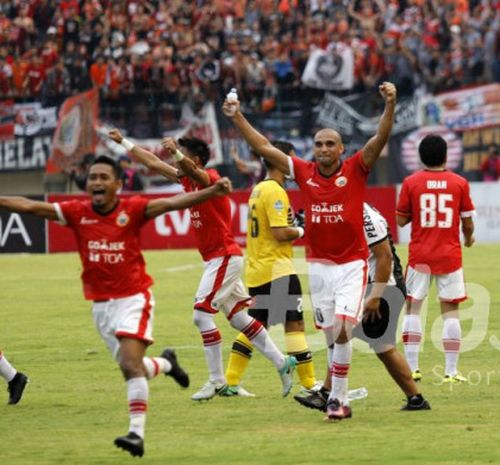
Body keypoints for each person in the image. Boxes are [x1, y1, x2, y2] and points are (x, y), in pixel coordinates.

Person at [0, 155, 235, 456]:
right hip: (101, 308)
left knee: (128, 364)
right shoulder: (77, 212)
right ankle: (167, 364)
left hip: (134, 299)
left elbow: (171, 203)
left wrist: (212, 192)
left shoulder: (132, 209)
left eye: (103, 177)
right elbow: (31, 206)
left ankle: (136, 433)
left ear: (118, 184)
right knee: (133, 367)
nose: (96, 181)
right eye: (92, 177)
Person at [223, 81, 396, 421]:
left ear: (342, 149)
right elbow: (263, 146)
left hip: (351, 264)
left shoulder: (356, 169)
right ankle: (336, 396)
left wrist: (389, 105)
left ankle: (337, 401)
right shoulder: (303, 172)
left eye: (330, 144)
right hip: (318, 267)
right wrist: (237, 117)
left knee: (346, 328)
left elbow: (380, 139)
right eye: (318, 144)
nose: (323, 149)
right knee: (333, 337)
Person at [107, 130, 297, 402]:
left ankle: (216, 381)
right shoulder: (185, 179)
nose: (173, 163)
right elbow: (152, 162)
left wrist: (175, 152)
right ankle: (282, 362)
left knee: (201, 315)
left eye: (180, 156)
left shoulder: (213, 180)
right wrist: (124, 142)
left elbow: (199, 175)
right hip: (217, 259)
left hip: (224, 257)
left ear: (194, 159)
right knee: (239, 318)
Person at [294, 202, 431, 412]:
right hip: (364, 284)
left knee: (378, 346)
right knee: (345, 337)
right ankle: (414, 399)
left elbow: (384, 255)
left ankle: (330, 394)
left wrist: (376, 296)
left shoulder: (365, 215)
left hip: (383, 287)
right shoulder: (344, 208)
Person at [224, 140, 318, 395]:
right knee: (295, 326)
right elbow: (279, 232)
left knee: (255, 326)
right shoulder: (275, 191)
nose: (295, 166)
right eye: (292, 159)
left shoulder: (258, 189)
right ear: (281, 159)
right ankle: (309, 384)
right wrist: (302, 229)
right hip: (277, 270)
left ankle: (231, 381)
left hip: (257, 269)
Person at [396, 134, 475, 383]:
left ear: (420, 157)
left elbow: (400, 219)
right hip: (449, 255)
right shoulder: (459, 183)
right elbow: (468, 222)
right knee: (450, 311)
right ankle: (451, 371)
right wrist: (469, 238)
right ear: (445, 156)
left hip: (420, 255)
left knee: (413, 309)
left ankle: (412, 368)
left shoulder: (411, 182)